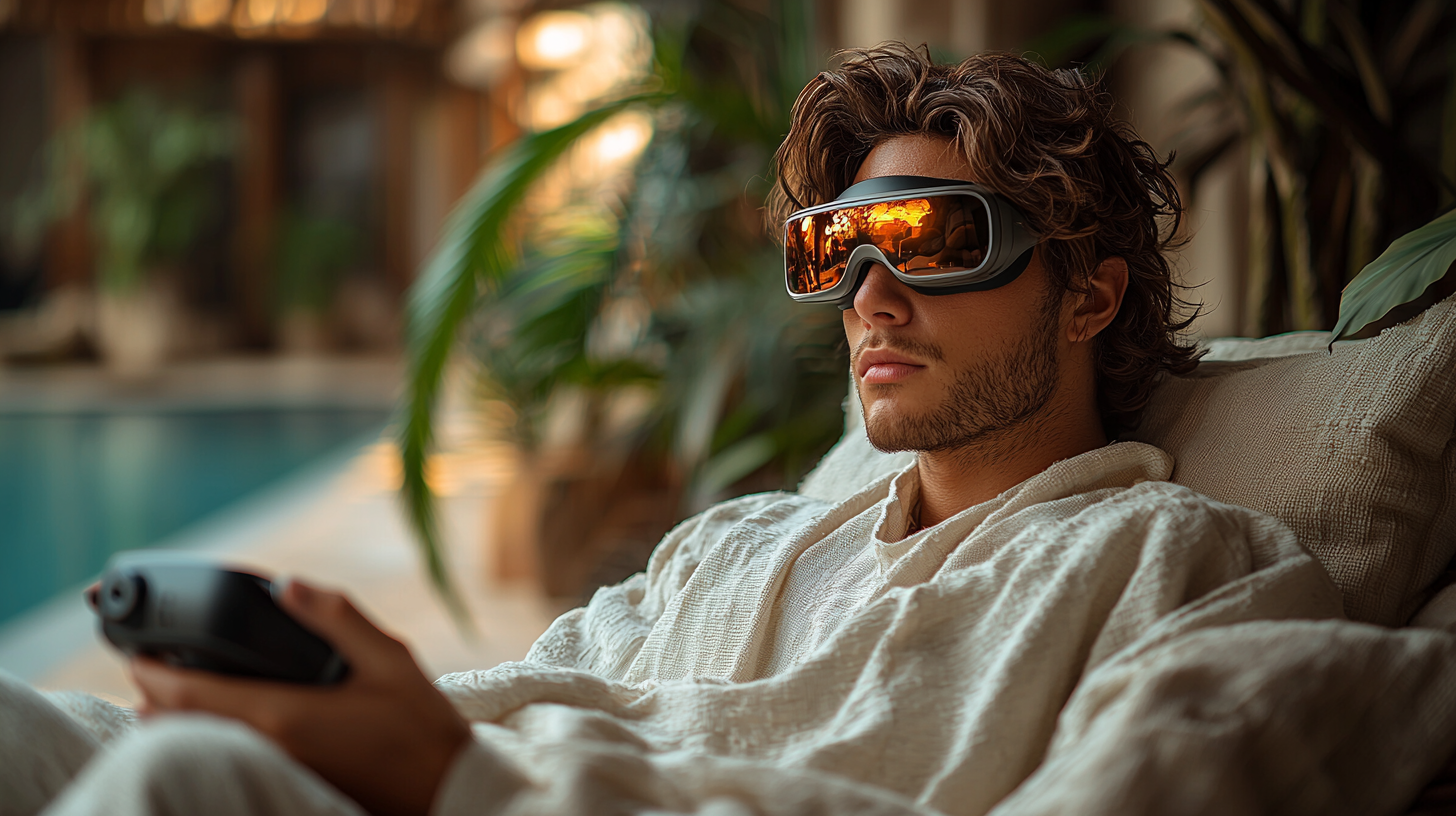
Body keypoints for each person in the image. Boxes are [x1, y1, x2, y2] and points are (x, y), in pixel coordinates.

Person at [5, 44, 1456, 816]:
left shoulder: (1176, 568)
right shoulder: (734, 547)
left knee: (181, 781)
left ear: (1087, 296)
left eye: (929, 240)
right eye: (835, 248)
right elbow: (532, 682)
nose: (868, 296)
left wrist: (461, 787)